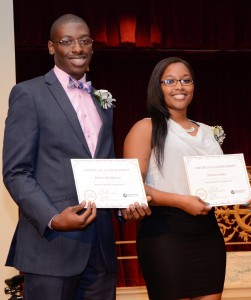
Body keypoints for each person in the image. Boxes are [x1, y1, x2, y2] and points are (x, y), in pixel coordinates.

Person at [3, 14, 151, 300]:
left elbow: (105, 167)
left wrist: (123, 206)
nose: (77, 49)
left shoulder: (103, 101)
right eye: (66, 41)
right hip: (51, 248)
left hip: (101, 250)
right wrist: (53, 218)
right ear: (50, 47)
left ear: (92, 46)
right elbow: (16, 172)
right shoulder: (28, 94)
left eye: (84, 41)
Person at [123, 57, 226, 300]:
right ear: (157, 87)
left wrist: (239, 194)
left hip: (208, 232)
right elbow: (132, 186)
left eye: (185, 80)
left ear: (193, 86)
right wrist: (181, 201)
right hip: (165, 233)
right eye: (169, 81)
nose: (179, 86)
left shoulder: (207, 132)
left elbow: (219, 181)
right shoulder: (146, 127)